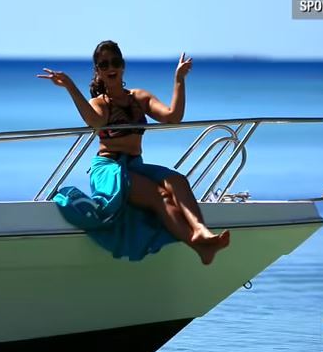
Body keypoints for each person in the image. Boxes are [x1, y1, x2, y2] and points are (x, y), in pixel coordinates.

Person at [37, 40, 229, 265]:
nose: (111, 67)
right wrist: (70, 86)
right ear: (98, 71)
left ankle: (200, 230)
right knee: (161, 196)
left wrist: (179, 79)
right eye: (104, 64)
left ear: (123, 65)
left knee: (177, 180)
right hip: (109, 169)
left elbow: (172, 117)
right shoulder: (100, 103)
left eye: (115, 62)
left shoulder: (138, 97)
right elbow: (95, 122)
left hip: (136, 165)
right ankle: (199, 246)